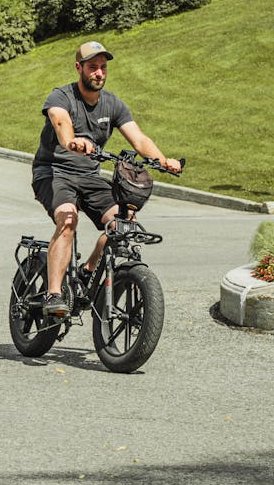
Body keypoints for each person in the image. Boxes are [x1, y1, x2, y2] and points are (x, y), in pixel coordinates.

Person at [32, 40, 183, 317]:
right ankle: (54, 293)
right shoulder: (61, 97)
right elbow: (60, 121)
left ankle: (88, 271)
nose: (99, 73)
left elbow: (139, 138)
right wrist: (71, 142)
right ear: (79, 68)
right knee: (68, 219)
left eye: (103, 67)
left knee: (124, 225)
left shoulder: (113, 104)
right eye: (92, 67)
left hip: (89, 177)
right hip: (54, 172)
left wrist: (163, 160)